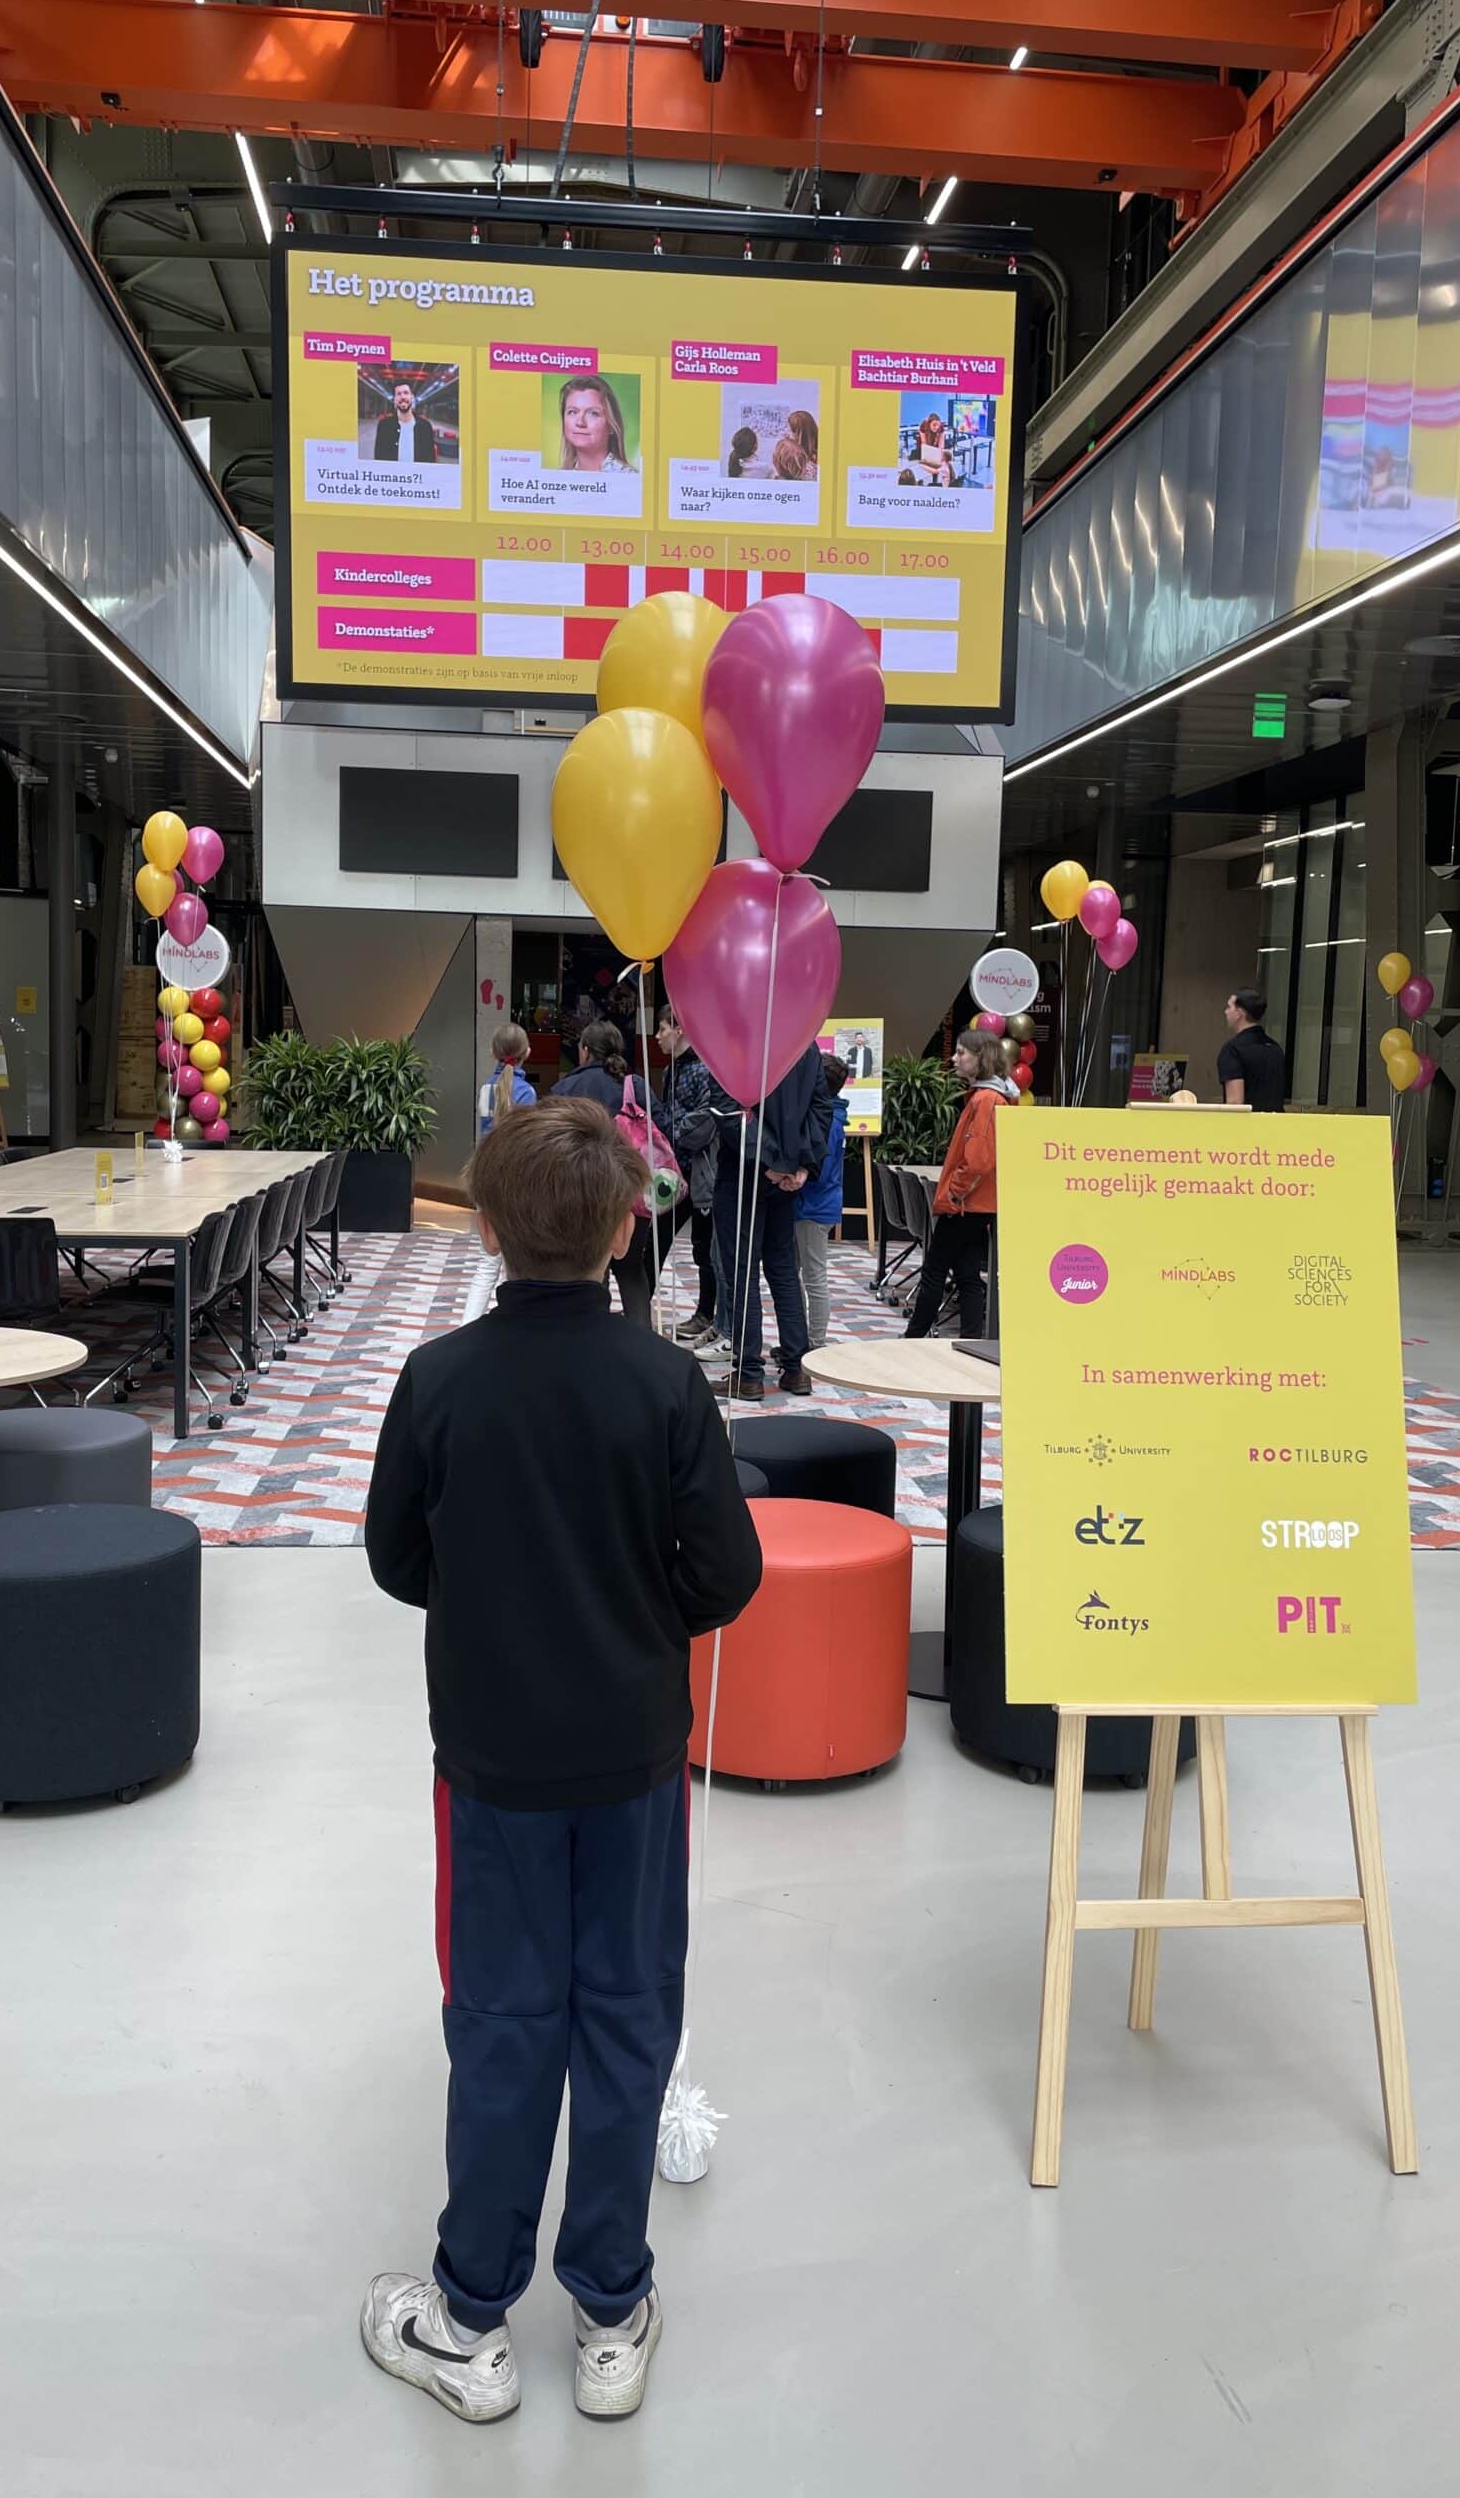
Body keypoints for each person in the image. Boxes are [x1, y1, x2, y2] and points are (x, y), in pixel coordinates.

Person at [362, 1099, 764, 2426]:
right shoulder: (665, 1384)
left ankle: (469, 2315)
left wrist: (495, 1597)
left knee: (500, 2017)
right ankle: (609, 2306)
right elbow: (727, 1573)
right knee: (627, 2012)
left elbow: (396, 1558)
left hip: (491, 1767)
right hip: (636, 1760)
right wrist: (635, 1617)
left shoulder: (438, 1381)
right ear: (626, 1230)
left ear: (484, 1227)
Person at [711, 1043, 830, 1401]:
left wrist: (770, 1161)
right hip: (787, 1171)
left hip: (745, 1169)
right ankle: (796, 1367)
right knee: (783, 1268)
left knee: (742, 1271)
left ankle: (748, 1373)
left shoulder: (739, 1039)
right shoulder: (805, 1042)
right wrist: (801, 1165)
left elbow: (725, 1108)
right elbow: (820, 1107)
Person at [904, 1032, 1014, 1340]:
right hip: (974, 1202)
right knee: (967, 1274)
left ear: (981, 1058)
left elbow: (978, 1160)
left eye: (962, 1052)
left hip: (966, 1203)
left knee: (935, 1269)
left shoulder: (986, 1099)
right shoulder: (988, 1096)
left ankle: (914, 1337)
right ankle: (969, 1339)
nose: (954, 1058)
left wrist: (954, 1193)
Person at [558, 1021, 667, 1328]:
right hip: (631, 1191)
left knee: (591, 1270)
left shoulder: (566, 1088)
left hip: (580, 1193)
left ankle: (593, 1337)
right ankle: (642, 1341)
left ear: (585, 1051)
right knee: (631, 1268)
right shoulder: (636, 1085)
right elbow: (662, 1127)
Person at [654, 1004, 720, 1344]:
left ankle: (707, 1314)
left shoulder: (704, 1069)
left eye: (662, 1028)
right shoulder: (671, 1070)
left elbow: (705, 1120)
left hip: (700, 1170)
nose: (657, 1036)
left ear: (679, 1029)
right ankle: (640, 1303)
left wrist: (674, 1131)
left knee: (705, 1248)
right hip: (673, 1170)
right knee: (655, 1236)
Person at [463, 1025, 537, 1322]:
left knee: (487, 1262)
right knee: (518, 1265)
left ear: (493, 1052)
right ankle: (516, 1325)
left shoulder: (485, 1090)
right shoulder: (527, 1092)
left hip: (485, 1178)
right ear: (527, 1052)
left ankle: (467, 1325)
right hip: (516, 1184)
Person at [794, 1055, 850, 1353]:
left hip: (813, 1207)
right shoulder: (833, 1116)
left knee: (814, 1277)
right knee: (799, 1275)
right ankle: (799, 1338)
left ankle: (814, 1344)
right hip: (813, 1205)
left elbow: (820, 1170)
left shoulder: (828, 1122)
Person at [1218, 988, 1288, 1112]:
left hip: (1248, 1123)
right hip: (1275, 1122)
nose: (1225, 1011)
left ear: (1239, 1013)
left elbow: (1235, 1103)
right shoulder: (1275, 1049)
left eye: (1229, 1007)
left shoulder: (1233, 1050)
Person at [558, 374, 633, 474]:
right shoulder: (559, 478)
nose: (580, 422)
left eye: (593, 413)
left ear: (610, 426)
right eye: (572, 412)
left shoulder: (629, 478)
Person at [374, 377, 439, 463]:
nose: (403, 397)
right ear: (395, 400)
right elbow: (378, 458)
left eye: (406, 393)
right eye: (398, 394)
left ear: (412, 397)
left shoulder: (425, 427)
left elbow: (430, 459)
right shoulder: (384, 426)